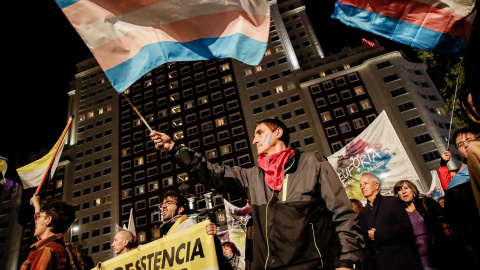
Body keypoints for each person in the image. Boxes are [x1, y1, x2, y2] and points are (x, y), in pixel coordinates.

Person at [150, 118, 364, 270]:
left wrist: (347, 263)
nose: (254, 140)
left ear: (278, 132)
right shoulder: (252, 176)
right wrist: (174, 148)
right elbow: (211, 173)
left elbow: (343, 216)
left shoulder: (312, 163)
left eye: (260, 133)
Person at [357, 173, 423, 270]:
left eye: (365, 183)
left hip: (402, 261)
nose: (362, 187)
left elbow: (405, 228)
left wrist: (378, 234)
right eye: (360, 185)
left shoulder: (392, 202)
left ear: (376, 185)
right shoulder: (362, 213)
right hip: (380, 265)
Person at [393, 180, 447, 270]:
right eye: (399, 190)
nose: (403, 191)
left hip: (440, 254)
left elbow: (444, 218)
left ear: (413, 191)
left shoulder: (426, 203)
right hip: (420, 261)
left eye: (406, 188)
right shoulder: (399, 214)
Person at [21, 195, 76, 270]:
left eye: (39, 217)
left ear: (48, 220)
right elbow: (43, 239)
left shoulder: (48, 250)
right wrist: (37, 206)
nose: (36, 220)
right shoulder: (65, 250)